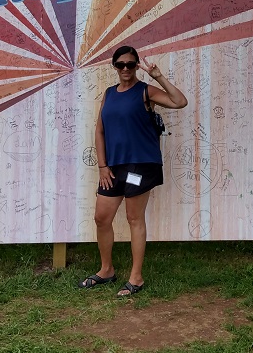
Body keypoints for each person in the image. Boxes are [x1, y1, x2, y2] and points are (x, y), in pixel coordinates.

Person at [78, 45, 187, 297]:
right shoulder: (109, 93)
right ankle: (106, 270)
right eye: (120, 64)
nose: (125, 68)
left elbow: (179, 102)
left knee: (134, 218)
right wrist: (102, 166)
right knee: (101, 218)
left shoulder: (145, 91)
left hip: (141, 163)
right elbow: (100, 130)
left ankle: (136, 278)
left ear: (137, 65)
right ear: (115, 67)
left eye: (130, 64)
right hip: (113, 166)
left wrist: (158, 76)